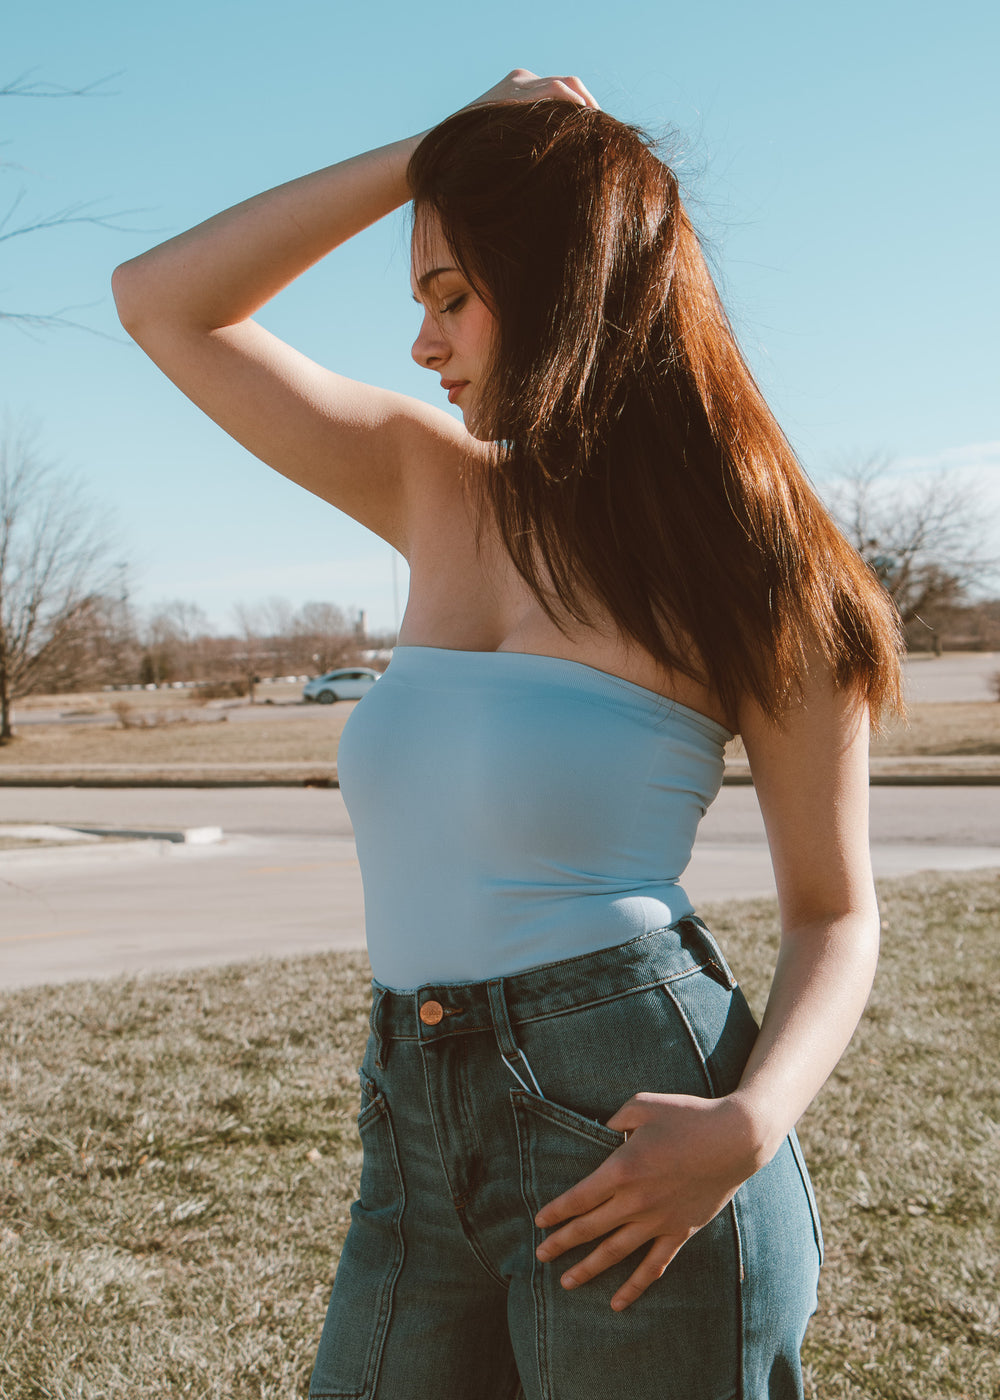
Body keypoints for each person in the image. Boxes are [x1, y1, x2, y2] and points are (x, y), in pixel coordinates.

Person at [113, 69, 903, 1400]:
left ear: (570, 283)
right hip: (415, 1121)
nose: (423, 346)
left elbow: (836, 912)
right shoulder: (436, 486)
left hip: (632, 1126)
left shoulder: (763, 573)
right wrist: (442, 150)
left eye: (450, 296)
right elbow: (163, 302)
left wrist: (752, 1127)